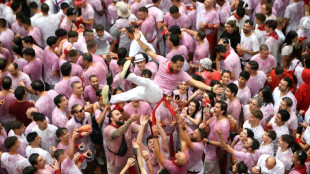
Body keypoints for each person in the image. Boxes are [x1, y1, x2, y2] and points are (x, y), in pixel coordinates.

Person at [101, 28, 220, 105]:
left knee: (148, 82)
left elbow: (195, 82)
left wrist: (210, 88)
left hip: (159, 95)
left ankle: (128, 75)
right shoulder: (163, 61)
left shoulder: (181, 74)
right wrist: (138, 40)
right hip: (151, 91)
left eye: (181, 67)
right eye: (177, 66)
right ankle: (111, 99)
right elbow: (148, 50)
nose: (179, 69)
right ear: (171, 62)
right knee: (133, 93)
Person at [103, 109, 141, 173]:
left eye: (120, 114)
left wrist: (144, 122)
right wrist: (130, 120)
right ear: (112, 118)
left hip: (130, 159)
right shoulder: (107, 129)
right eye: (117, 114)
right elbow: (118, 133)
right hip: (116, 164)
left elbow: (140, 129)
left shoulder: (126, 123)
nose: (120, 115)